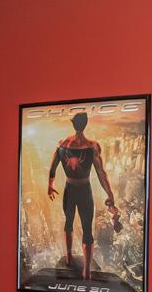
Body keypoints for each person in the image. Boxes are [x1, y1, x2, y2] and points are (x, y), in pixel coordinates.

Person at [46, 111, 119, 280]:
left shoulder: (62, 144)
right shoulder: (92, 146)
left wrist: (50, 185)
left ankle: (70, 258)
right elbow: (101, 173)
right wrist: (110, 194)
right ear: (85, 124)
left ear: (74, 124)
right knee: (86, 229)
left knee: (69, 223)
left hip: (69, 189)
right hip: (84, 190)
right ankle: (86, 269)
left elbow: (52, 168)